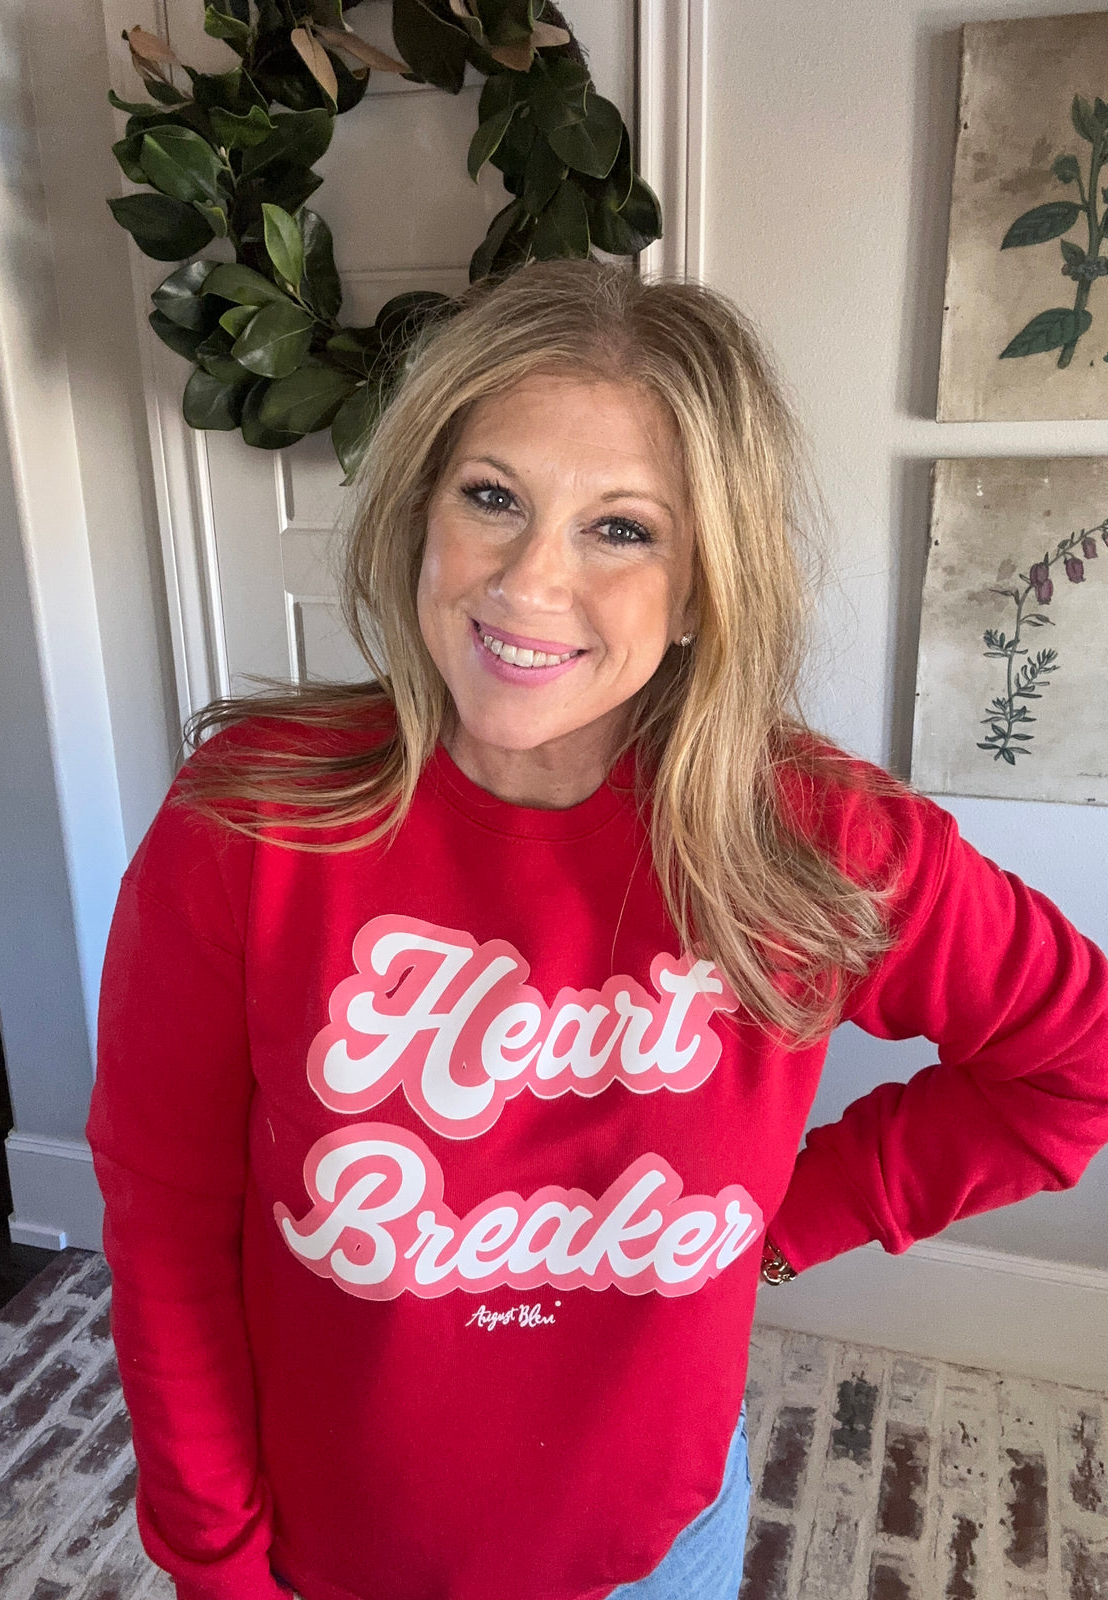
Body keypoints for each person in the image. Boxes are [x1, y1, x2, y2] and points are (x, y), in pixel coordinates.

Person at [87, 257, 1108, 1600]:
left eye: (621, 528)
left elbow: (1074, 1065)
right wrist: (215, 1565)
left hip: (658, 1553)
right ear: (419, 515)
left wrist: (787, 1221)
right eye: (491, 497)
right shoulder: (252, 821)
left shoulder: (818, 839)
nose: (529, 581)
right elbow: (168, 1223)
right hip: (332, 1553)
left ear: (701, 587)